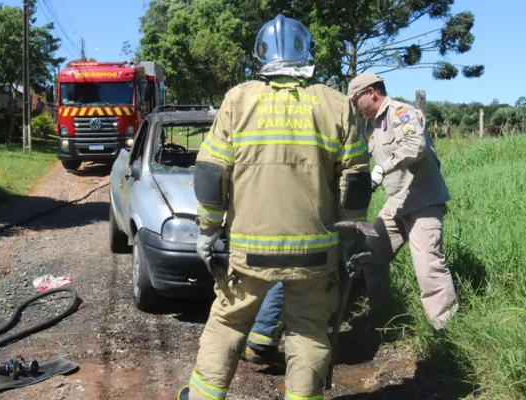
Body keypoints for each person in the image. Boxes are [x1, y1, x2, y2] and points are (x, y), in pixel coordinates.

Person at [176, 13, 371, 400]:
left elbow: (213, 174)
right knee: (309, 331)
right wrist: (350, 239)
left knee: (228, 323)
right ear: (307, 51)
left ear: (260, 55)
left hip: (251, 251)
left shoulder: (238, 99)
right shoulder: (336, 105)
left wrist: (208, 231)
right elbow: (356, 182)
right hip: (316, 253)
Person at [347, 71, 458, 331]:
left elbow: (415, 145)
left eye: (355, 100)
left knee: (428, 267)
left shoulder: (402, 113)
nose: (354, 106)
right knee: (371, 256)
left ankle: (444, 330)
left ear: (370, 93)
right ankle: (380, 315)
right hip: (395, 202)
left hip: (422, 201)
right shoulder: (370, 125)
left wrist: (382, 168)